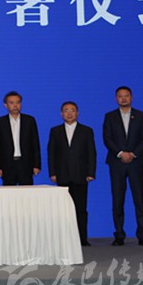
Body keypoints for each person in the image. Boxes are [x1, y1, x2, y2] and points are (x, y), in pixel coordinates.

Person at [103, 86, 143, 247]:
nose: (123, 98)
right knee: (117, 199)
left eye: (126, 96)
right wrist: (120, 153)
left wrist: (132, 154)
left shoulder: (141, 116)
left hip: (136, 162)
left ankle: (142, 235)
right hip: (116, 163)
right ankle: (119, 235)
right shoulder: (109, 116)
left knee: (139, 198)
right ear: (116, 98)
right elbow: (107, 138)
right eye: (120, 96)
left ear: (131, 97)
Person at [47, 101, 96, 247]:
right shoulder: (55, 131)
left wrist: (91, 172)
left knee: (81, 209)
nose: (69, 113)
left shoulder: (86, 131)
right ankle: (64, 239)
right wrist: (52, 172)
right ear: (61, 114)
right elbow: (51, 153)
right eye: (66, 110)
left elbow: (91, 153)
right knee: (63, 210)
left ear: (77, 113)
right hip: (62, 175)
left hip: (81, 175)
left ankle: (82, 239)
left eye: (72, 110)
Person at [0, 91, 41, 185]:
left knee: (27, 192)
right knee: (9, 192)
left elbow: (35, 144)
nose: (15, 105)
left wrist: (36, 165)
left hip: (26, 164)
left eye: (18, 102)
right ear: (6, 105)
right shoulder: (0, 122)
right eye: (11, 103)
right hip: (7, 164)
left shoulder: (29, 120)